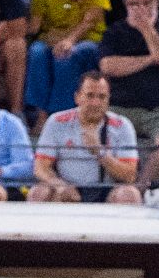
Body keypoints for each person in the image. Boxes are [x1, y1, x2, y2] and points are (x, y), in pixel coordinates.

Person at [99, 0, 159, 183]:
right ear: (126, 4)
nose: (141, 8)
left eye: (147, 3)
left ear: (157, 2)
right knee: (100, 141)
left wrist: (147, 30)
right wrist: (151, 59)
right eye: (135, 4)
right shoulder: (115, 32)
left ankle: (139, 190)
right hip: (122, 107)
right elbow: (109, 66)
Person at [25, 0, 109, 120]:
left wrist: (68, 40)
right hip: (51, 38)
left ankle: (60, 115)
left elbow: (90, 20)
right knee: (37, 51)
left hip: (87, 39)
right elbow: (35, 27)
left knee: (68, 54)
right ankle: (41, 115)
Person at [31, 70, 138, 201]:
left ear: (109, 99)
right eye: (90, 96)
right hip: (67, 187)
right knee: (38, 192)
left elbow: (129, 175)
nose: (95, 103)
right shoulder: (57, 121)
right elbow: (40, 167)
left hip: (107, 190)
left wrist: (100, 153)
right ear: (77, 97)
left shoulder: (122, 125)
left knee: (129, 194)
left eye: (102, 97)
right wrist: (59, 185)